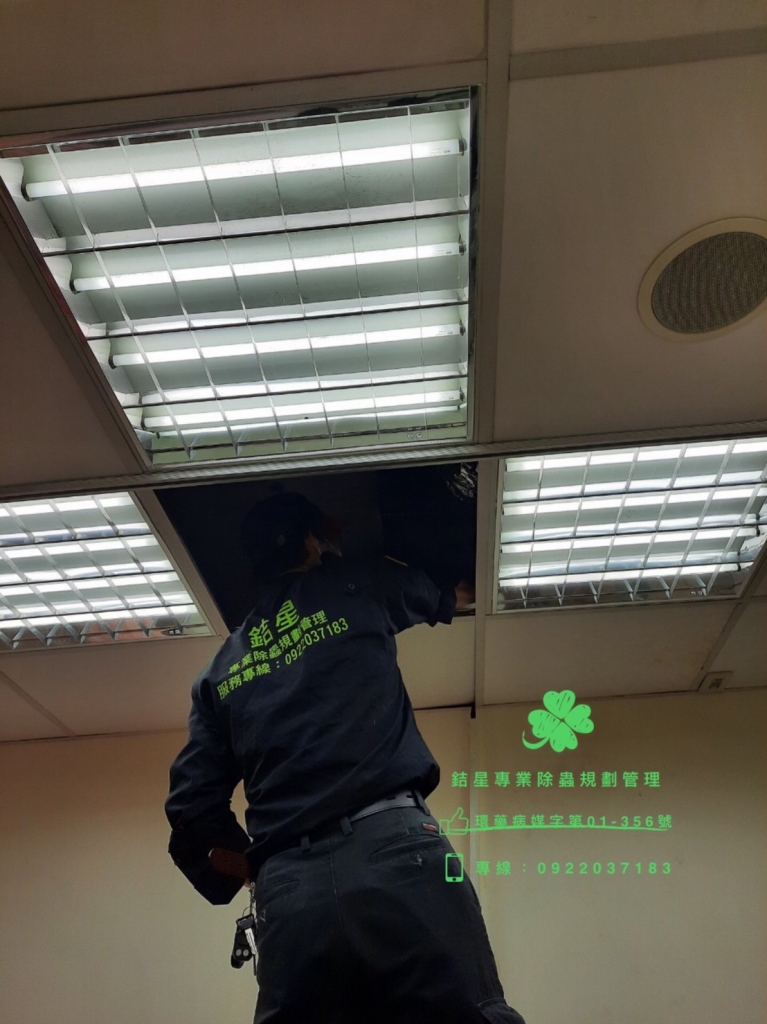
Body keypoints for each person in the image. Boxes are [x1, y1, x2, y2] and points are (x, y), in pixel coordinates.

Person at [165, 490, 528, 1024]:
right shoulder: (357, 584)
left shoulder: (217, 673)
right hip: (394, 848)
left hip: (289, 886)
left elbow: (191, 810)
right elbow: (454, 588)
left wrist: (254, 872)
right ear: (312, 543)